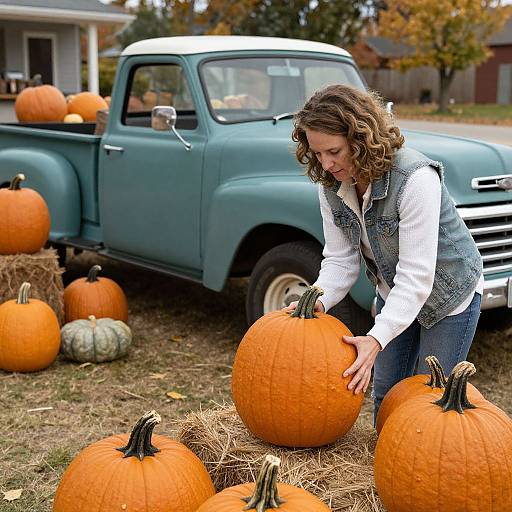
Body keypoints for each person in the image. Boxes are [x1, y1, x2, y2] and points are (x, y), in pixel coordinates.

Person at [286, 84, 483, 425]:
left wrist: (375, 339)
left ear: (359, 139)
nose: (326, 163)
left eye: (333, 151)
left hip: (448, 295)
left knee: (429, 400)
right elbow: (340, 259)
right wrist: (316, 299)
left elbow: (417, 276)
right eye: (317, 154)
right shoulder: (331, 185)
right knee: (386, 395)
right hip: (395, 293)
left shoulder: (415, 178)